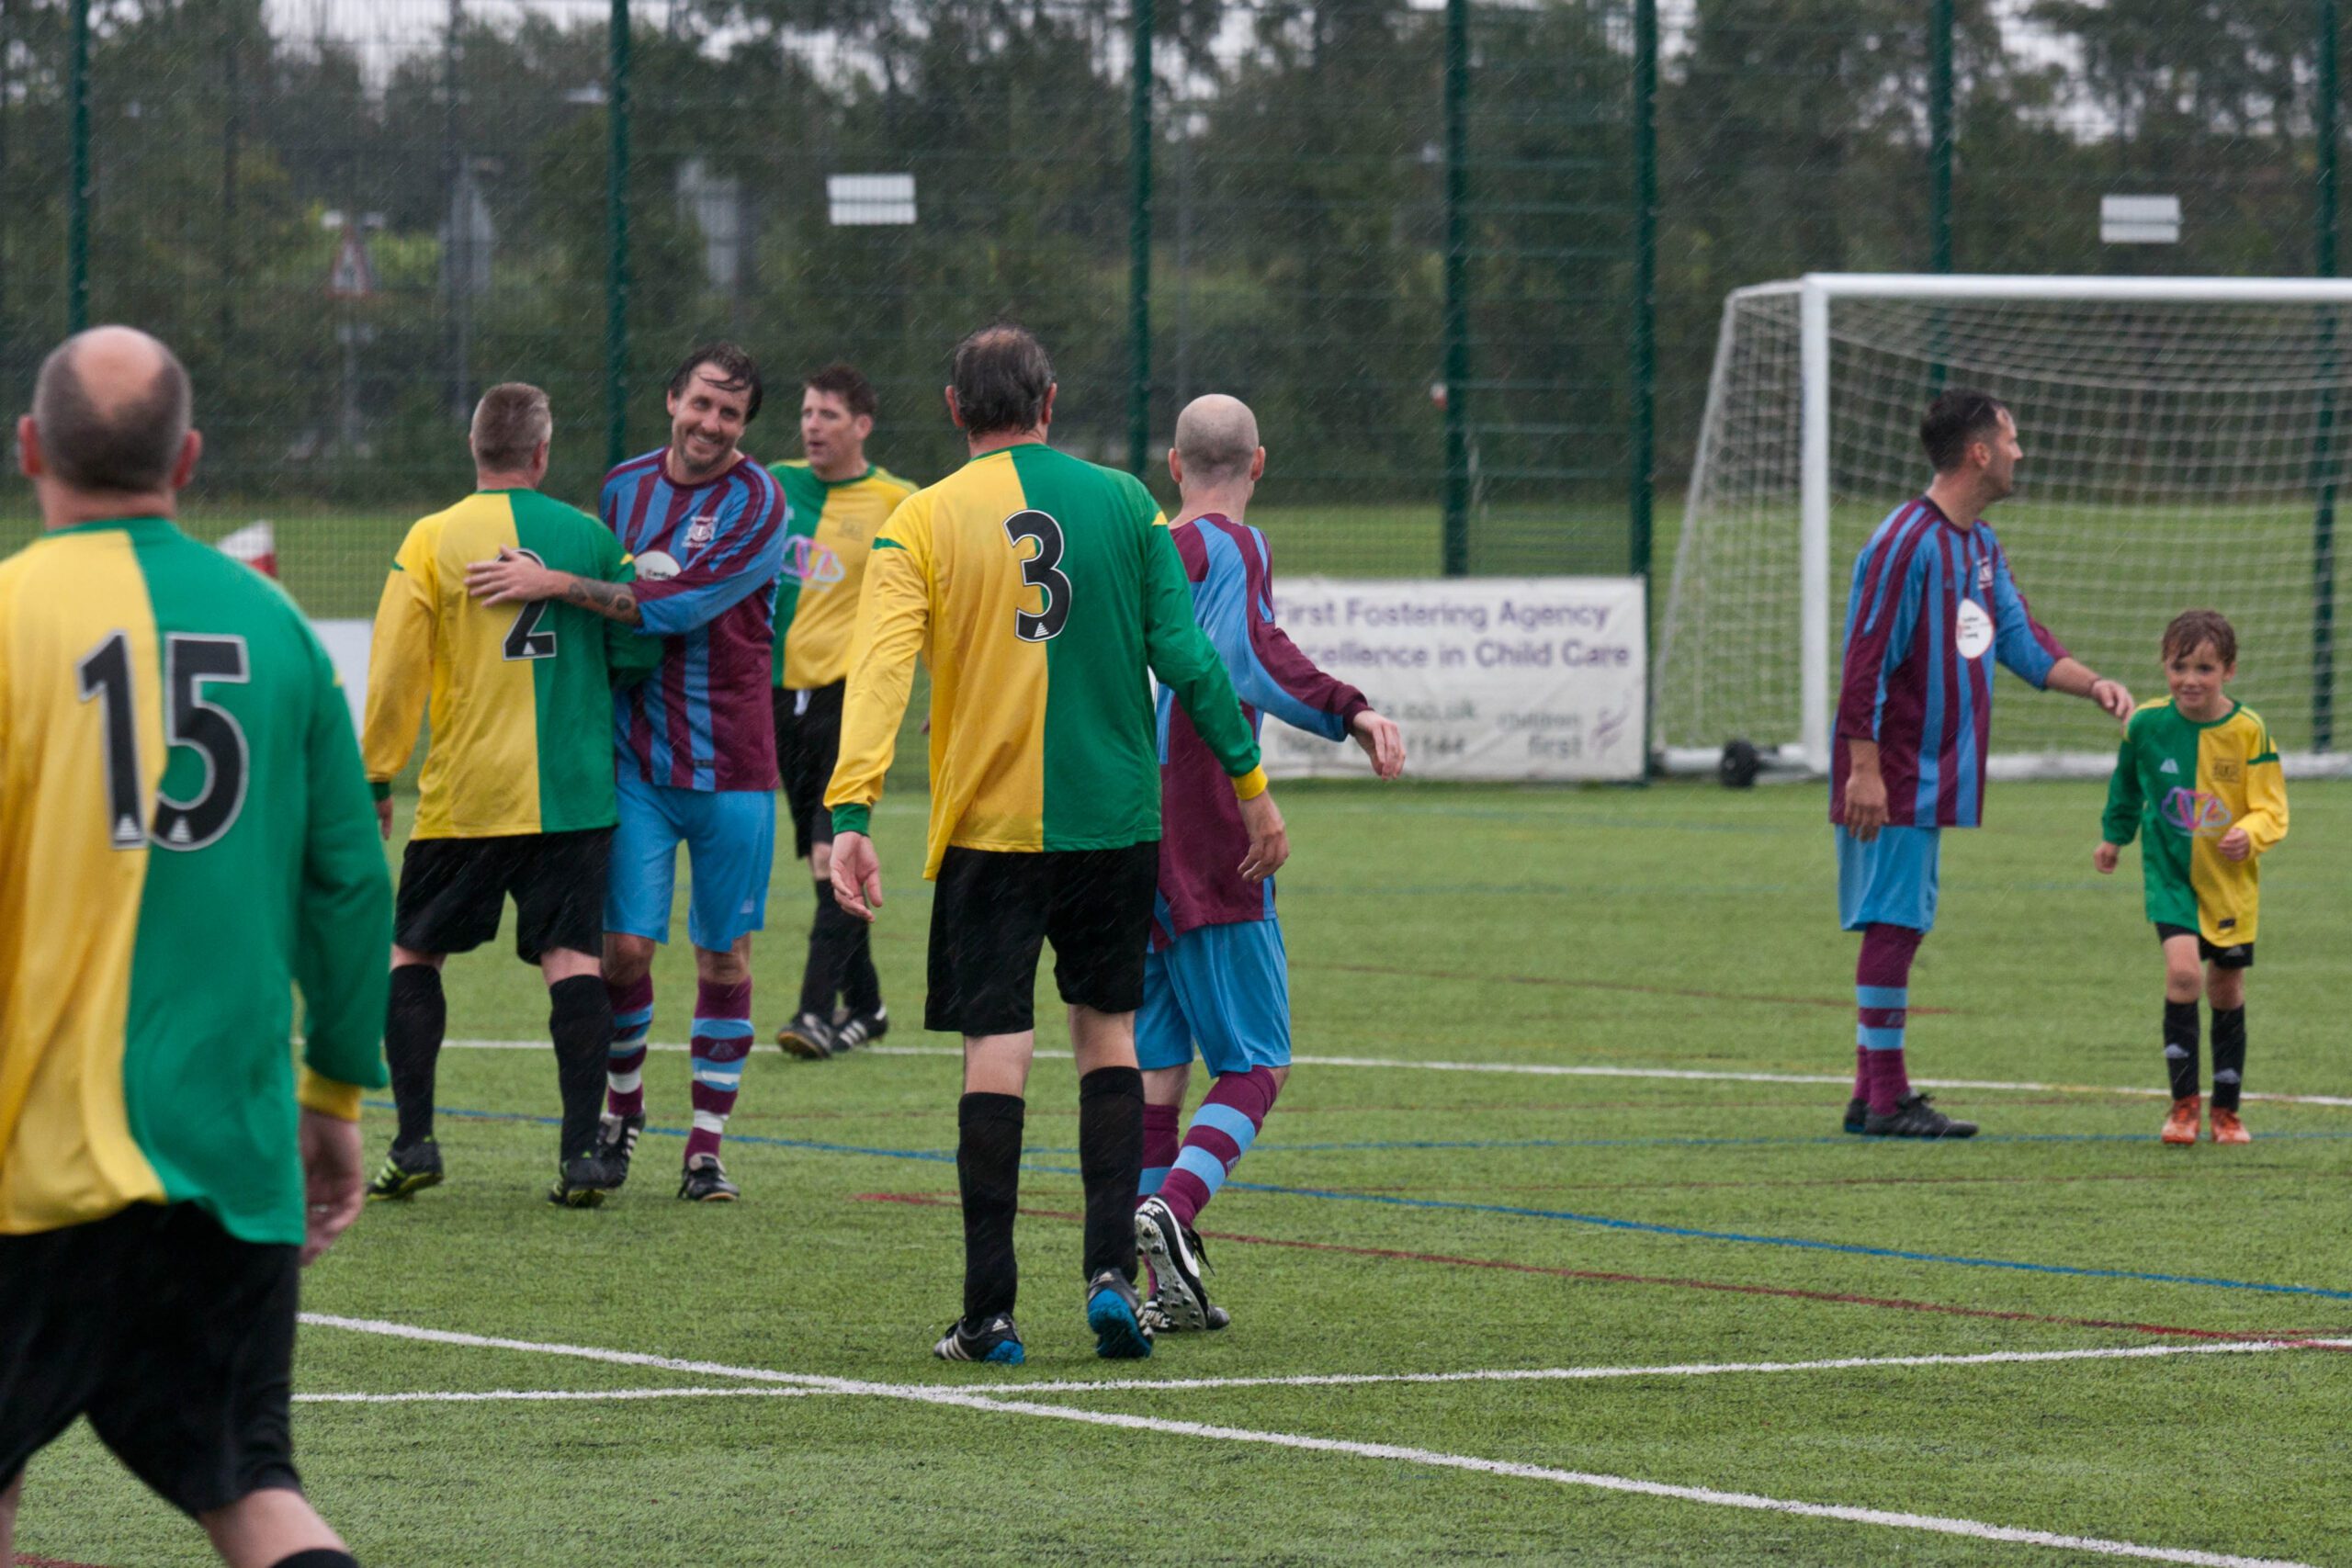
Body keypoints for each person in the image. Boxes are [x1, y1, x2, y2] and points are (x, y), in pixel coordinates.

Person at [0, 328, 390, 1568]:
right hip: (226, 1155)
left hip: (29, 1159)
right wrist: (334, 1094)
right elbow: (351, 883)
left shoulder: (8, 615)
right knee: (251, 1490)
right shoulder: (276, 628)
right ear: (188, 458)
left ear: (29, 447)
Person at [825, 324, 1283, 1365]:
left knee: (998, 1047)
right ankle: (1110, 1277)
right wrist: (1251, 786)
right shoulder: (1126, 502)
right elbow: (1189, 659)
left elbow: (881, 671)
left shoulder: (919, 519)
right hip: (1113, 821)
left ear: (953, 408)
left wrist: (851, 813)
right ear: (1050, 400)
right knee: (1107, 1036)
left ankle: (988, 1313)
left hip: (989, 828)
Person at [468, 343, 787, 1203]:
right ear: (672, 398)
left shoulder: (760, 500)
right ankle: (624, 1112)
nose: (711, 424)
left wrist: (556, 583)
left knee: (725, 958)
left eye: (730, 413)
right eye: (702, 404)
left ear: (744, 426)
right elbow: (617, 617)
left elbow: (677, 607)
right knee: (621, 951)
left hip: (734, 761)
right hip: (638, 756)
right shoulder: (623, 488)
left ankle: (707, 1150)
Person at [1129, 395, 1405, 1335]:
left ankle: (1159, 1284)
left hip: (1125, 823)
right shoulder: (1236, 547)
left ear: (1173, 465)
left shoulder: (1145, 549)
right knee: (1257, 1063)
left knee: (1159, 1066)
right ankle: (1174, 1208)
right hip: (1208, 819)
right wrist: (1350, 708)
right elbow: (1253, 654)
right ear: (1258, 463)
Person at [361, 383, 656, 1208]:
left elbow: (394, 670)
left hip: (469, 793)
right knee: (572, 960)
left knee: (414, 953)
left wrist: (377, 773)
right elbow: (638, 650)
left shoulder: (432, 538)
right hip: (571, 793)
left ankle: (414, 1142)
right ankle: (580, 1157)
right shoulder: (590, 538)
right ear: (542, 453)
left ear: (474, 447)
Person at [1834, 388, 2133, 1138]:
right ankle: (1887, 1099)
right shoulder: (1906, 541)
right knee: (1894, 921)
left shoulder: (1979, 545)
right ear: (1979, 451)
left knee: (1902, 919)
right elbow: (1865, 660)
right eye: (2011, 439)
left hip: (1930, 771)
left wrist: (2093, 683)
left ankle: (1870, 1093)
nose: (2019, 452)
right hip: (1894, 767)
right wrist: (1863, 768)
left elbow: (2020, 641)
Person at [769, 364, 918, 1059]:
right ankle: (868, 1006)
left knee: (834, 850)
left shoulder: (897, 500)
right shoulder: (775, 486)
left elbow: (934, 595)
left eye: (828, 414)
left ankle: (812, 1011)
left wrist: (941, 686)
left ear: (862, 425)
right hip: (779, 699)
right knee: (821, 865)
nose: (812, 425)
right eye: (806, 412)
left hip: (850, 700)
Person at [2095, 610, 2287, 1145]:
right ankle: (2183, 1108)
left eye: (2205, 668)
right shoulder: (2145, 725)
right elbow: (2126, 785)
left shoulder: (2248, 730)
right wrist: (2114, 836)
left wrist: (2249, 832)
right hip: (2171, 876)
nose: (2190, 680)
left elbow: (2272, 807)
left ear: (2229, 670)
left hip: (2229, 885)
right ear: (2164, 666)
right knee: (2183, 976)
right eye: (2179, 667)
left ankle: (2227, 1111)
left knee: (2226, 988)